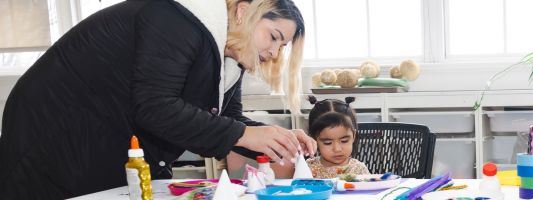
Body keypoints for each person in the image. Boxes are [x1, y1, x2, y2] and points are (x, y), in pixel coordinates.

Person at [0, 0, 316, 198]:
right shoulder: (178, 20)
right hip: (55, 131)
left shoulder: (229, 60)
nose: (274, 52)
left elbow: (227, 124)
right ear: (244, 11)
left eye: (282, 46)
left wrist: (276, 138)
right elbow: (154, 107)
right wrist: (246, 134)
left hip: (104, 137)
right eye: (273, 37)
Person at [274, 97, 371, 178]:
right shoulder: (308, 169)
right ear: (313, 139)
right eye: (327, 143)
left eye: (344, 141)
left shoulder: (359, 170)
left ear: (353, 136)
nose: (337, 149)